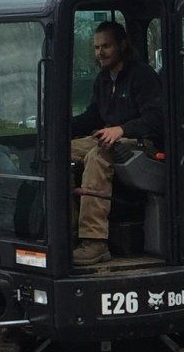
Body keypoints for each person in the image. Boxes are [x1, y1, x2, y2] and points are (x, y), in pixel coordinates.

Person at [69, 21, 163, 264]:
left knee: (97, 158)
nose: (100, 52)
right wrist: (59, 127)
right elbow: (93, 116)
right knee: (58, 153)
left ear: (122, 45)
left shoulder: (142, 76)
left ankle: (95, 242)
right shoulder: (102, 80)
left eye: (106, 46)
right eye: (97, 47)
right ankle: (66, 230)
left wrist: (121, 129)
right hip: (106, 138)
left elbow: (156, 118)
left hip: (142, 144)